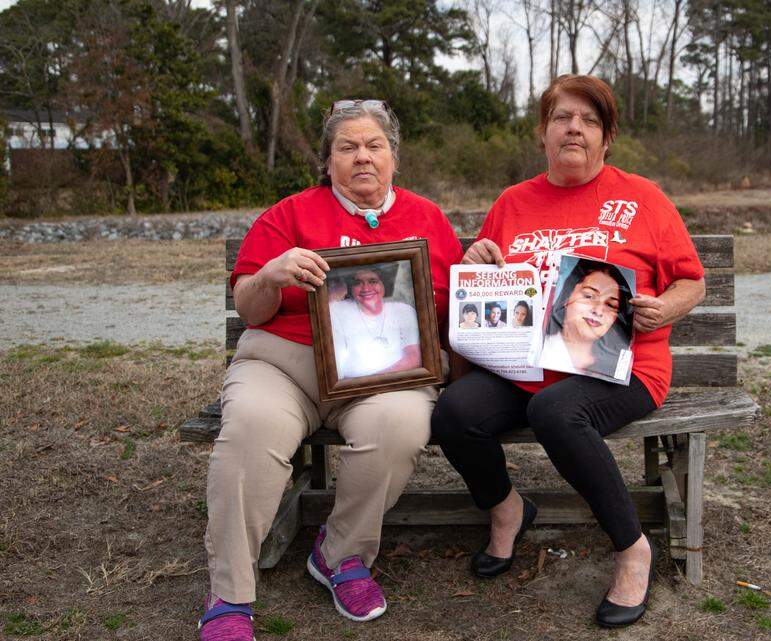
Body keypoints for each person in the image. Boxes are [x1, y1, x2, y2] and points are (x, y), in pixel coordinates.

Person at [431, 75, 705, 628]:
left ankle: (632, 549)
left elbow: (691, 282)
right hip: (527, 362)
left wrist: (665, 309)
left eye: (589, 120)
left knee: (555, 411)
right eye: (562, 118)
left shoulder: (643, 199)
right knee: (456, 412)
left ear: (607, 138)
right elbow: (492, 291)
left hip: (622, 366)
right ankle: (507, 510)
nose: (574, 128)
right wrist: (482, 263)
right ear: (543, 133)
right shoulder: (512, 203)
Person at [198, 99, 462, 641]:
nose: (362, 157)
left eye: (374, 145)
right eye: (347, 147)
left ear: (393, 157)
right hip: (285, 365)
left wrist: (479, 272)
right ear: (327, 161)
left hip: (383, 374)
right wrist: (271, 275)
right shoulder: (289, 214)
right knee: (251, 429)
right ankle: (229, 594)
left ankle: (341, 554)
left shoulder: (428, 219)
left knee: (400, 426)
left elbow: (454, 309)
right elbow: (250, 306)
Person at [538, 259, 632, 378]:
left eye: (610, 305)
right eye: (589, 296)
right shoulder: (538, 350)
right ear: (567, 296)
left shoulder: (617, 366)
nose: (598, 311)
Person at [329, 266, 420, 379]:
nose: (366, 288)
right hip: (354, 391)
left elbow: (414, 358)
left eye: (373, 281)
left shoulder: (403, 311)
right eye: (358, 283)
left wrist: (368, 381)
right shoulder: (339, 311)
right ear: (350, 288)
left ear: (384, 283)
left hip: (399, 383)